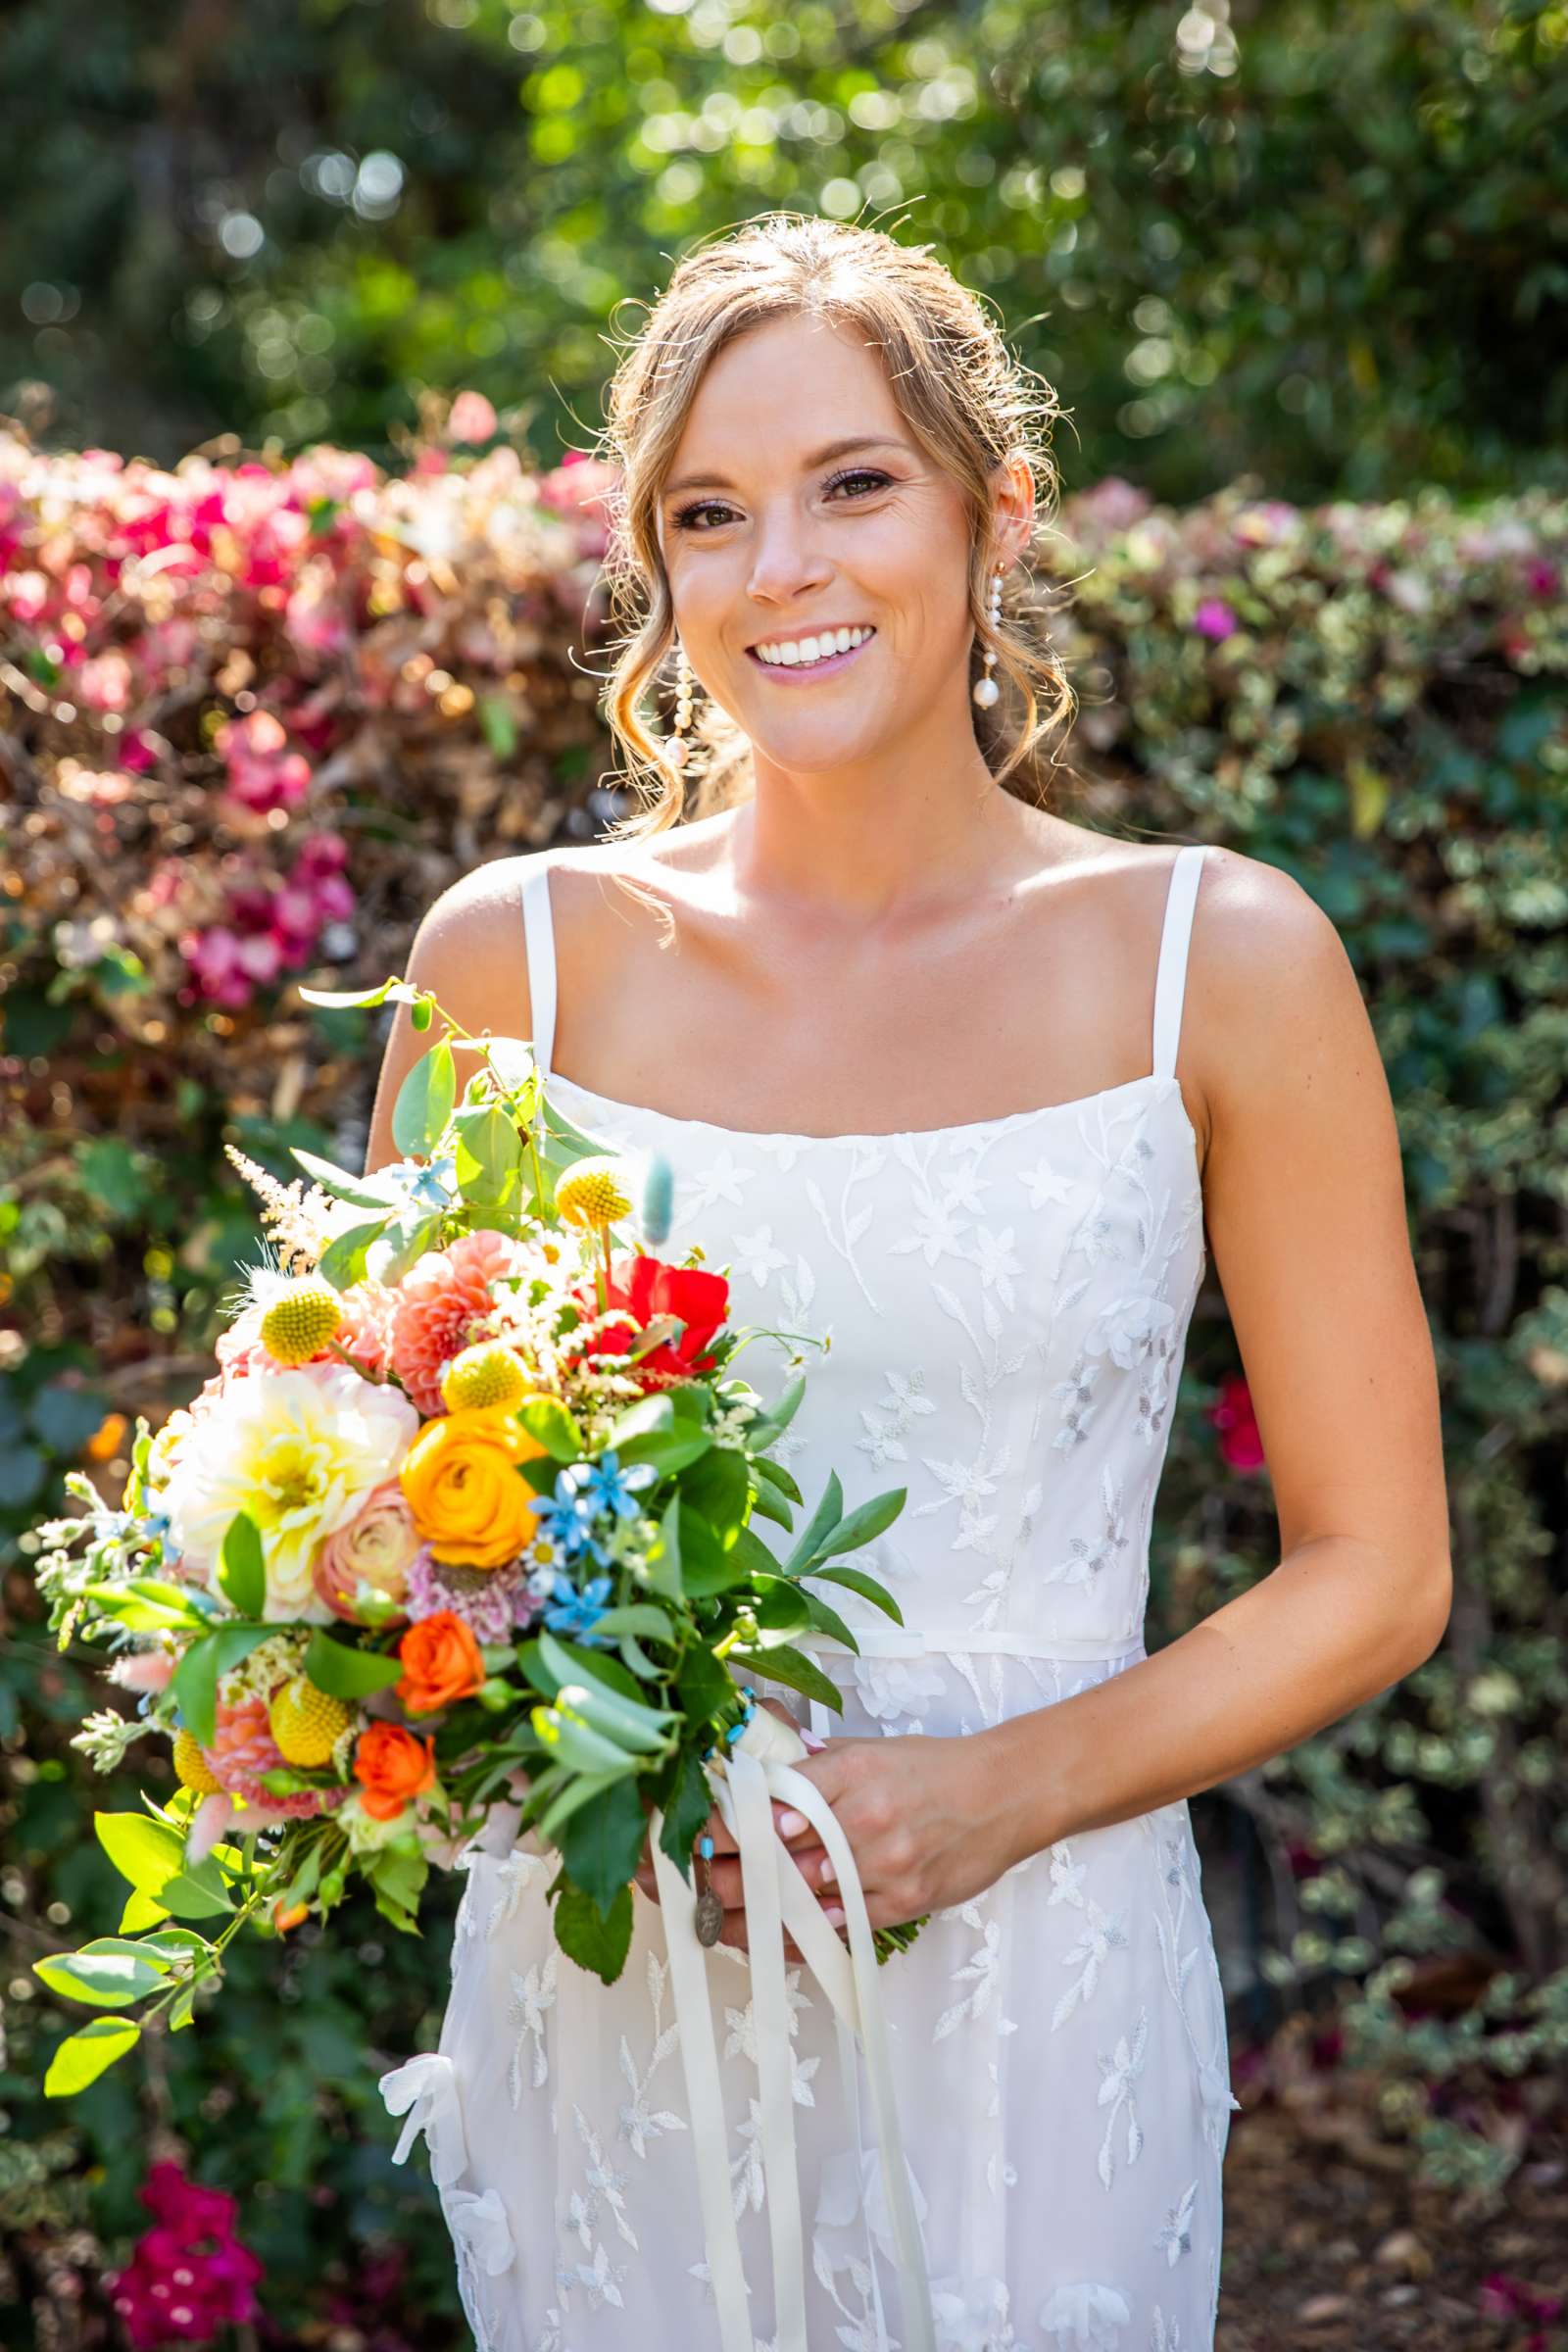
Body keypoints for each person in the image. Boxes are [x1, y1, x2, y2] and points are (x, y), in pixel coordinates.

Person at [365, 213, 1450, 2352]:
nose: (782, 565)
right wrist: (549, 1757)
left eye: (851, 481)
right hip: (626, 1981)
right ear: (657, 570)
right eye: (708, 511)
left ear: (993, 512)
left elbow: (1374, 1565)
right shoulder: (515, 962)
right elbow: (398, 1517)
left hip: (1044, 1994)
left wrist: (1002, 1790)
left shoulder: (1213, 964)